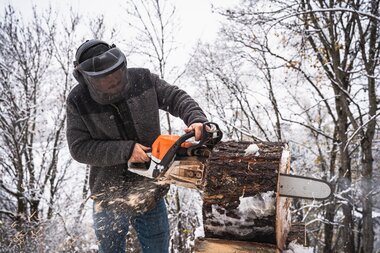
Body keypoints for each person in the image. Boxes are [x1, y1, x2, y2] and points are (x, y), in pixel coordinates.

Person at [66, 39, 208, 253]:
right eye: (104, 78)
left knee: (158, 249)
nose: (113, 80)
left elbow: (175, 96)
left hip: (150, 190)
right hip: (108, 196)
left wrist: (196, 118)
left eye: (115, 73)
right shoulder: (78, 100)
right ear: (87, 79)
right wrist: (126, 151)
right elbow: (79, 147)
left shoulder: (142, 80)